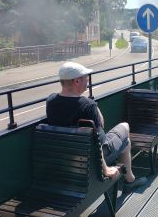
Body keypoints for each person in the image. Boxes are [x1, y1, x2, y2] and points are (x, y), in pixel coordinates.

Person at [46, 61, 147, 189]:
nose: (87, 83)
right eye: (86, 79)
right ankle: (130, 182)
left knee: (126, 142)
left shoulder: (51, 101)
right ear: (77, 81)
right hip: (91, 155)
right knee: (125, 127)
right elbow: (97, 138)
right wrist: (105, 169)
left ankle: (130, 179)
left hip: (65, 155)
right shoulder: (88, 106)